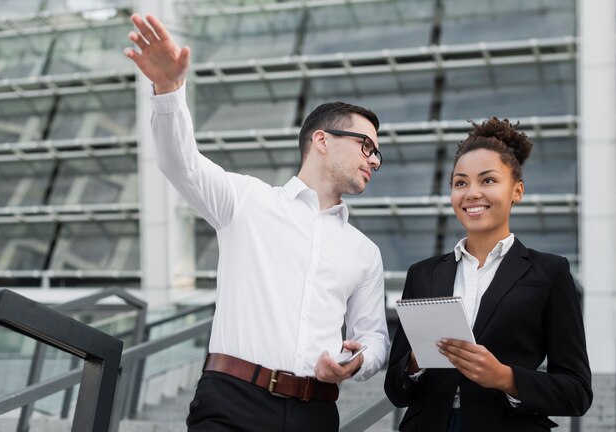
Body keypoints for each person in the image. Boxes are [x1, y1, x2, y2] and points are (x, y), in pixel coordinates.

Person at [124, 14, 389, 432]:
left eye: (378, 153)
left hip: (315, 413)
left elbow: (374, 338)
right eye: (366, 145)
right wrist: (169, 90)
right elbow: (181, 165)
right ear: (322, 140)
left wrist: (358, 361)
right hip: (232, 401)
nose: (374, 159)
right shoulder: (246, 200)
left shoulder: (365, 253)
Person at [384, 117, 592, 432]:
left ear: (517, 191)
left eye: (488, 180)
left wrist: (504, 378)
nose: (471, 193)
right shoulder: (422, 274)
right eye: (460, 182)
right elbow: (395, 390)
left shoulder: (550, 273)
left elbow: (577, 393)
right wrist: (415, 361)